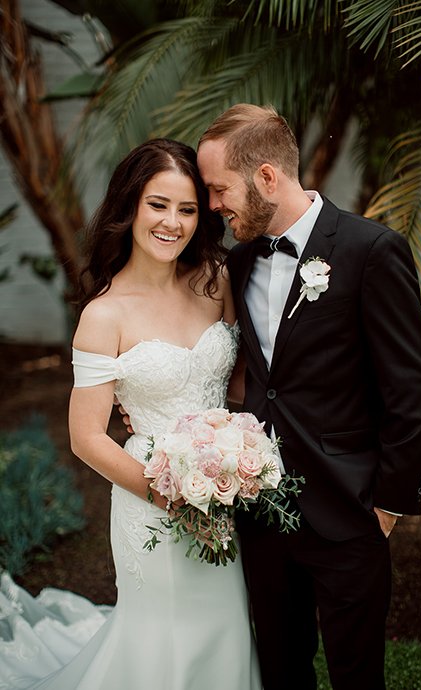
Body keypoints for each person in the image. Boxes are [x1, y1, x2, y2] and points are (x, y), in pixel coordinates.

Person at [0, 139, 261, 690]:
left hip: (224, 480)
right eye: (158, 205)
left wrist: (239, 453)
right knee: (163, 633)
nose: (173, 223)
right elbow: (86, 437)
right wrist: (168, 492)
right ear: (130, 206)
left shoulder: (214, 279)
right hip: (151, 493)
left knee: (226, 617)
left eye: (187, 209)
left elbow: (239, 382)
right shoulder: (103, 315)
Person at [195, 104, 421, 690]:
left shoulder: (371, 250)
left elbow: (412, 386)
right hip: (262, 512)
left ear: (267, 178)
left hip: (350, 514)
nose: (213, 206)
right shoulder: (241, 258)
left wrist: (386, 505)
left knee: (357, 675)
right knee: (282, 670)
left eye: (218, 188)